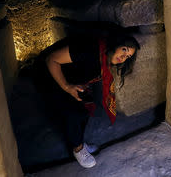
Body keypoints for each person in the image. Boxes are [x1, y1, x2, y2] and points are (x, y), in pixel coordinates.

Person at [33, 30, 140, 168]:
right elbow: (51, 59)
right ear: (116, 44)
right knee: (73, 112)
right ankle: (78, 149)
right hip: (48, 73)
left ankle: (79, 142)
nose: (124, 57)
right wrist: (66, 87)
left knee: (85, 105)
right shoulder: (90, 48)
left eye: (128, 56)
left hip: (69, 76)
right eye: (124, 49)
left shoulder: (105, 57)